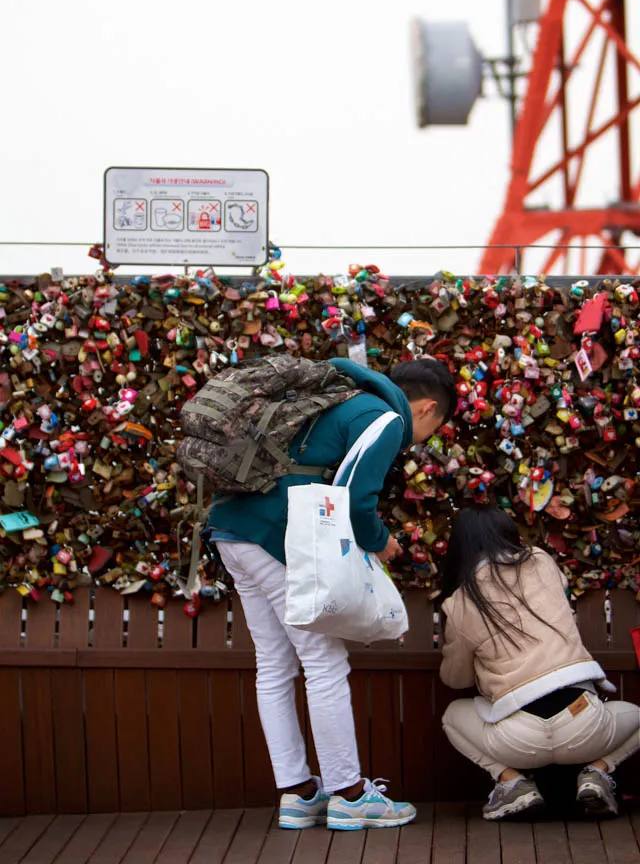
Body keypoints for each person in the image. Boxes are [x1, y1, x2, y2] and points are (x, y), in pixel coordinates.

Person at [205, 356, 456, 830]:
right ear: (425, 409)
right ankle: (349, 794)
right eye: (435, 428)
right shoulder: (383, 417)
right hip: (277, 535)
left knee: (275, 665)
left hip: (230, 528)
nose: (424, 440)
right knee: (323, 662)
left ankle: (299, 794)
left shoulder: (336, 397)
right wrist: (384, 544)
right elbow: (354, 499)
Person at [439, 506, 640, 821]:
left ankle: (511, 783)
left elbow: (457, 679)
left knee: (453, 716)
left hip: (517, 737)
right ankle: (597, 773)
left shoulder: (460, 602)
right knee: (637, 717)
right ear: (508, 533)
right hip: (583, 722)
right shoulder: (541, 561)